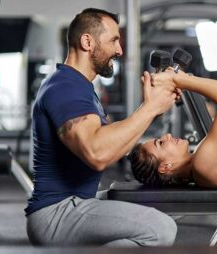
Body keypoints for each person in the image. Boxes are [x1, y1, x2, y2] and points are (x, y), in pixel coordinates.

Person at [25, 8, 178, 247]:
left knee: (147, 208)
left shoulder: (79, 87)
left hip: (73, 204)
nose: (119, 50)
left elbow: (109, 144)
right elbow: (97, 154)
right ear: (87, 41)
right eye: (114, 40)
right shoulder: (65, 88)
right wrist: (150, 108)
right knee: (161, 229)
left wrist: (151, 109)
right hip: (57, 214)